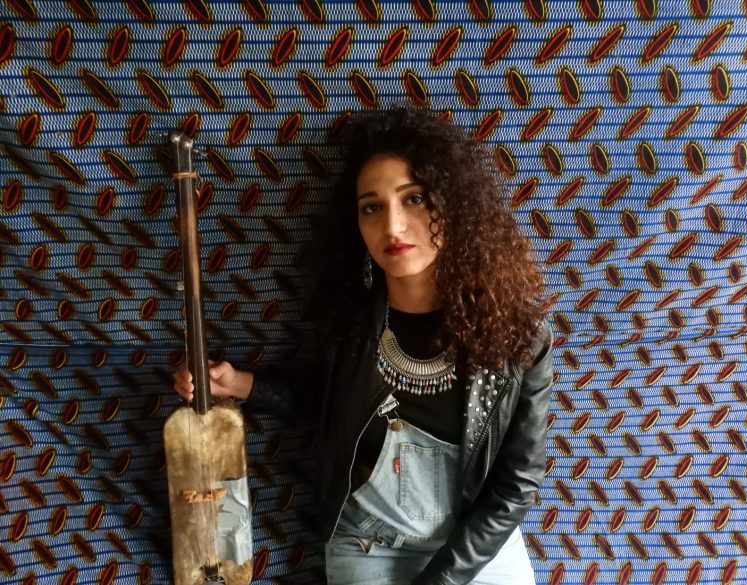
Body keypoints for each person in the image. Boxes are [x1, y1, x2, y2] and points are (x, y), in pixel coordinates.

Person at [173, 105, 555, 584]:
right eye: (372, 207)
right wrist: (239, 384)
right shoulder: (350, 322)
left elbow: (516, 486)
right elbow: (331, 405)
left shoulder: (518, 335)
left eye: (414, 199)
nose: (392, 226)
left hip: (472, 547)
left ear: (453, 205)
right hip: (368, 543)